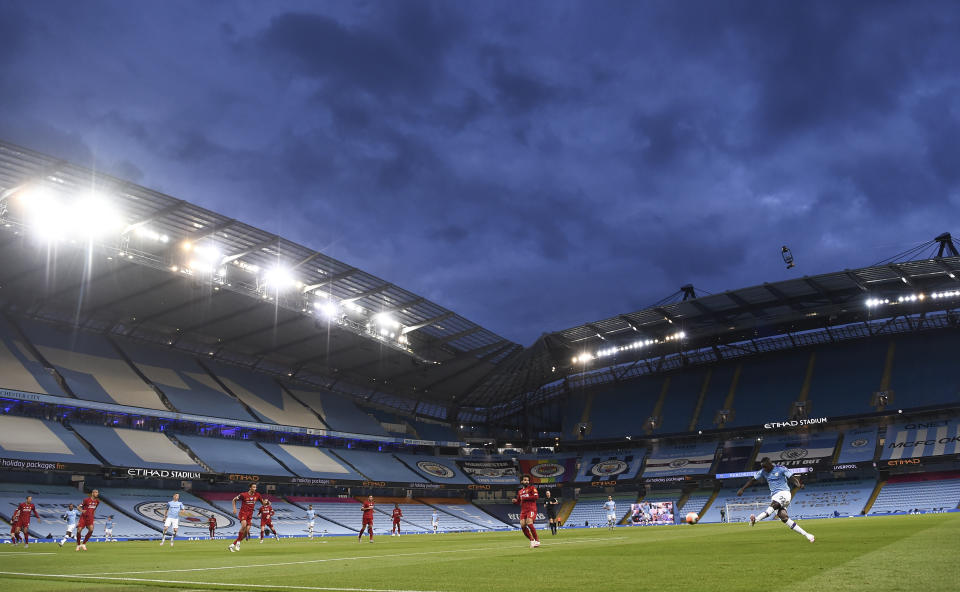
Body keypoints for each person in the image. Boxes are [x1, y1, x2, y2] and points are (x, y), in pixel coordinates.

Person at [737, 457, 814, 543]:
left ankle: (755, 520)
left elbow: (791, 478)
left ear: (770, 464)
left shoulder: (781, 469)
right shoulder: (763, 471)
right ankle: (808, 535)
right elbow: (752, 480)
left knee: (771, 508)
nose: (764, 469)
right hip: (774, 496)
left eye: (765, 467)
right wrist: (742, 489)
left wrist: (798, 485)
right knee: (784, 518)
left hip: (784, 493)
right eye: (763, 467)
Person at [229, 483, 264, 552]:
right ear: (250, 488)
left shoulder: (257, 495)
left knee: (246, 532)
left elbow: (263, 503)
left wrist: (265, 505)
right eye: (253, 487)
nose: (255, 489)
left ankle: (232, 545)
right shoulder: (243, 495)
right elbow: (234, 500)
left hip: (250, 515)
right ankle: (238, 543)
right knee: (244, 525)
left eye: (255, 487)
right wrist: (234, 508)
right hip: (243, 513)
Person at [512, 474, 540, 548]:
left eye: (527, 480)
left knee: (529, 522)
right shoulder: (520, 491)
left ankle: (537, 541)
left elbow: (536, 497)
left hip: (531, 509)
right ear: (521, 481)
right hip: (523, 510)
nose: (527, 481)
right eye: (525, 480)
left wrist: (525, 498)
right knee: (522, 525)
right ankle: (532, 540)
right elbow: (519, 501)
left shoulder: (532, 488)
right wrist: (515, 501)